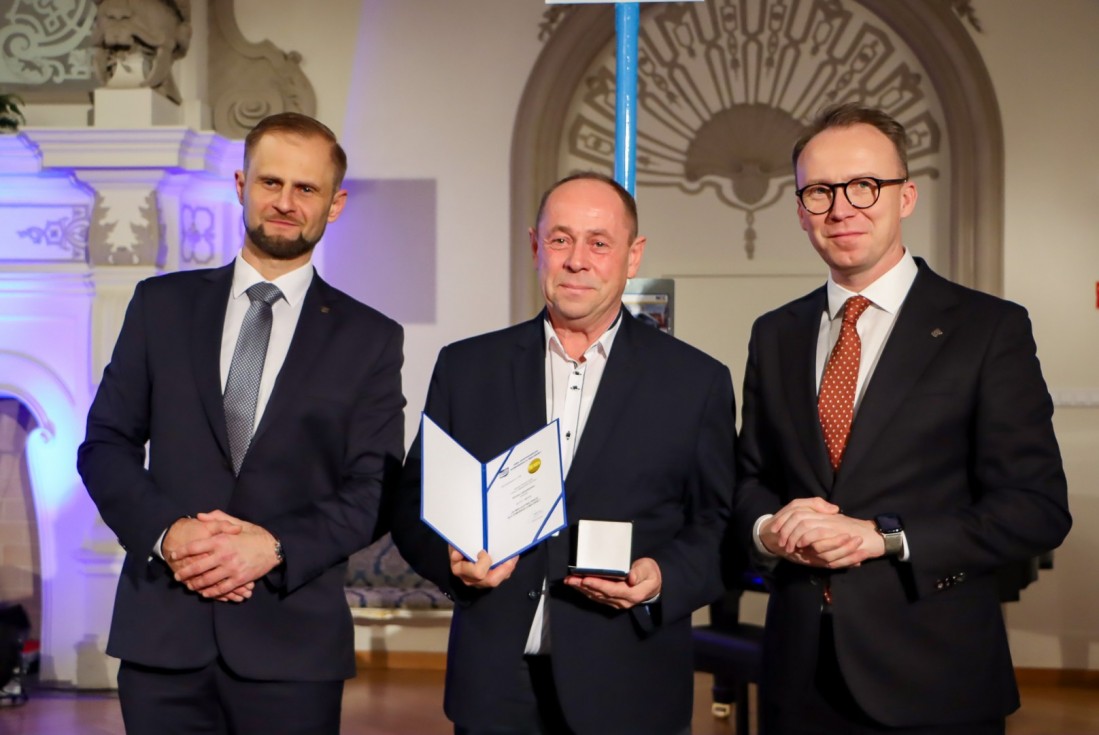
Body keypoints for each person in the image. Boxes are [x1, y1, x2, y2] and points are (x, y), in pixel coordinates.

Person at [732, 103, 1072, 734]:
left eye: (864, 185)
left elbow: (1037, 508)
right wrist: (768, 529)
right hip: (798, 677)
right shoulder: (775, 333)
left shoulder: (988, 329)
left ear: (905, 196)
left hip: (933, 678)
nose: (841, 208)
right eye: (819, 191)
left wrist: (884, 537)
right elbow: (750, 477)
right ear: (800, 210)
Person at [77, 112, 405, 734]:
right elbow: (105, 445)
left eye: (305, 188)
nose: (285, 202)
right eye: (270, 182)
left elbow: (376, 488)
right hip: (163, 636)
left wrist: (273, 547)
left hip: (291, 644)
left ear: (334, 205)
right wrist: (169, 533)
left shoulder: (370, 338)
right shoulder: (160, 306)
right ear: (240, 185)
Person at [388, 172, 736, 734]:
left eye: (599, 243)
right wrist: (451, 560)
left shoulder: (695, 382)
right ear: (536, 247)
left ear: (632, 255)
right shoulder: (467, 368)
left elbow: (718, 523)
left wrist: (662, 576)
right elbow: (414, 501)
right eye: (560, 239)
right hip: (495, 688)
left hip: (630, 687)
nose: (577, 260)